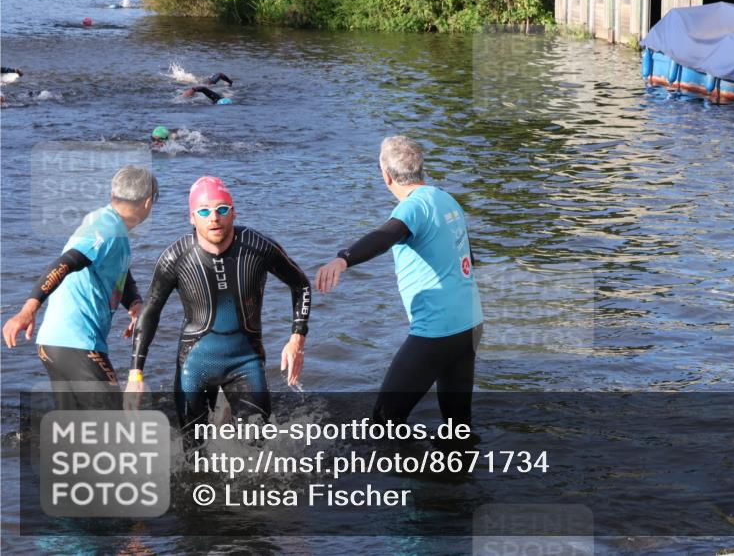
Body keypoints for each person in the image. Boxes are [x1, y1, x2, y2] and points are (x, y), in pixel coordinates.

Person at [127, 177, 312, 450]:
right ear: (192, 218)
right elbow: (151, 312)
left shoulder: (258, 247)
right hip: (195, 365)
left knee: (258, 451)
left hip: (246, 361)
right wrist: (135, 375)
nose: (214, 218)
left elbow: (301, 285)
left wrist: (297, 339)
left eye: (222, 209)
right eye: (204, 211)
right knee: (193, 455)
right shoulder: (175, 258)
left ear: (234, 212)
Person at [316, 136, 483, 428]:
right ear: (421, 169)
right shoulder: (445, 198)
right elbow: (469, 257)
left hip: (437, 331)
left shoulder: (412, 207)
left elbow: (386, 235)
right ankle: (458, 472)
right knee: (458, 423)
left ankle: (408, 472)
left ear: (386, 176)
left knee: (384, 421)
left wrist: (343, 259)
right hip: (469, 323)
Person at [3, 166, 159, 409]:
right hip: (78, 345)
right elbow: (66, 262)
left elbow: (121, 271)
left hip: (52, 344)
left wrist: (134, 302)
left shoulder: (108, 224)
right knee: (118, 427)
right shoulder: (106, 230)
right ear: (148, 202)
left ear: (113, 194)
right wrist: (28, 309)